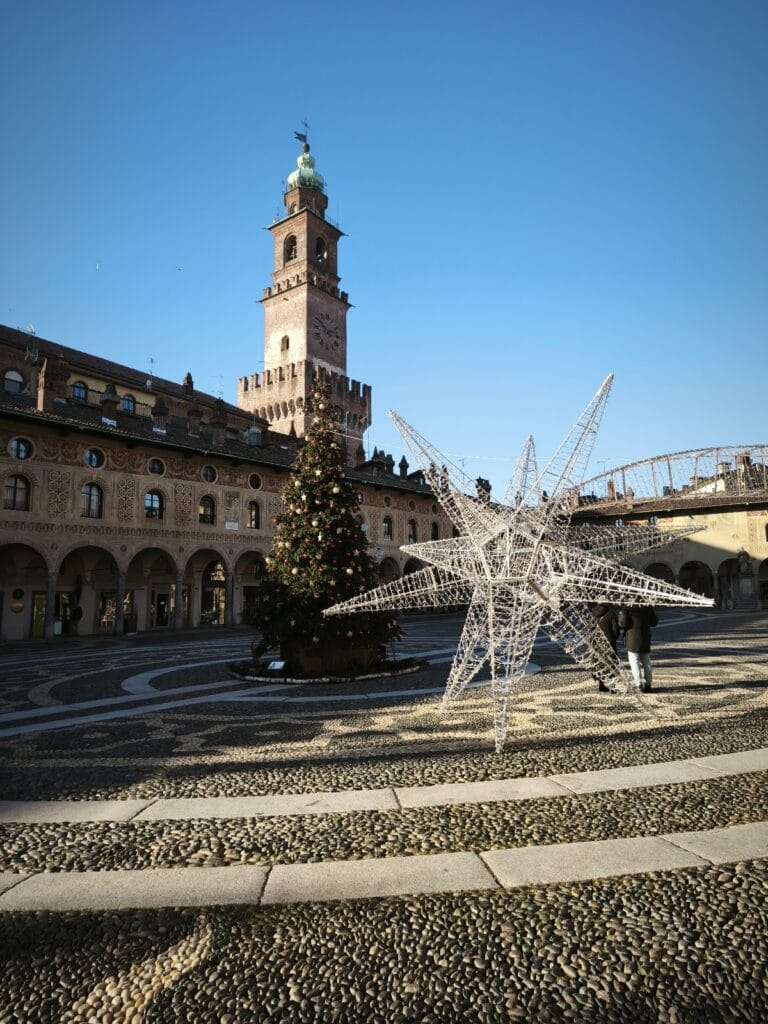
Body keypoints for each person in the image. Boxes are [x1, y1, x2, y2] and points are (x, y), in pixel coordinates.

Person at [618, 605, 658, 692]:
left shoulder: (627, 608)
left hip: (632, 638)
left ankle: (638, 684)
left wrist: (622, 613)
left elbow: (622, 623)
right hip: (645, 637)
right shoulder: (647, 606)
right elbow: (654, 622)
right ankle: (648, 685)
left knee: (634, 662)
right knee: (646, 662)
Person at [589, 601, 620, 692]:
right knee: (611, 663)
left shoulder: (593, 613)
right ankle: (612, 686)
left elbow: (591, 629)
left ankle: (600, 684)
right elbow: (616, 631)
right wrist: (613, 637)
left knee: (598, 662)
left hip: (596, 642)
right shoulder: (611, 614)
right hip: (608, 642)